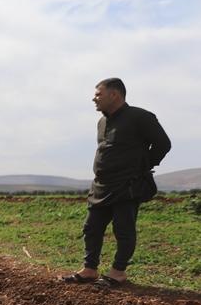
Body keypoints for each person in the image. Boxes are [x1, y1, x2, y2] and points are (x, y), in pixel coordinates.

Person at [62, 78, 171, 287]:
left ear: (114, 95)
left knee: (123, 229)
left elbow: (163, 144)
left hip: (127, 185)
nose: (94, 98)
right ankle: (89, 270)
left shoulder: (140, 117)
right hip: (102, 185)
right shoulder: (102, 121)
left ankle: (117, 273)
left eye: (98, 94)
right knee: (91, 227)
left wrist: (142, 166)